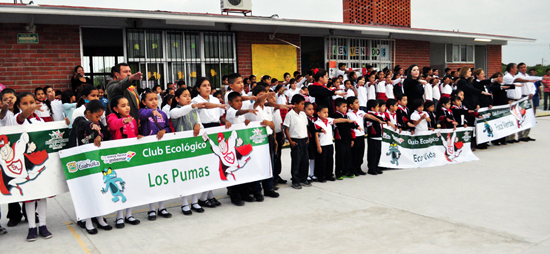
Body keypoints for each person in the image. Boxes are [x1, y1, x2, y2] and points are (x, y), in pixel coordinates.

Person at [70, 100, 112, 235]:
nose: (99, 119)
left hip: (97, 161)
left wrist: (99, 134)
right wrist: (93, 126)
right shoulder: (80, 120)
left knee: (98, 189)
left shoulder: (97, 124)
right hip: (81, 162)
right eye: (97, 116)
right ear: (88, 113)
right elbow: (83, 125)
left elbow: (106, 133)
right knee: (86, 191)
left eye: (100, 117)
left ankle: (100, 218)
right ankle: (87, 220)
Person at [169, 87, 212, 214]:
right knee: (185, 176)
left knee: (195, 174)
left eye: (189, 96)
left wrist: (198, 124)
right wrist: (193, 105)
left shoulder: (194, 110)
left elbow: (199, 124)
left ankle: (194, 202)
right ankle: (184, 203)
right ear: (177, 99)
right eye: (184, 96)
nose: (188, 98)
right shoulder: (174, 111)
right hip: (182, 147)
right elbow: (181, 112)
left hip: (194, 146)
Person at [105, 96, 142, 228]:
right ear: (115, 108)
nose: (127, 108)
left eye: (128, 105)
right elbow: (113, 125)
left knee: (131, 185)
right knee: (120, 186)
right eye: (123, 105)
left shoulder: (132, 119)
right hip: (118, 157)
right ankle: (119, 216)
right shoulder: (112, 117)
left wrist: (139, 136)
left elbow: (135, 133)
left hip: (130, 156)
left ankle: (129, 214)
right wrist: (124, 121)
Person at [190, 77, 227, 207]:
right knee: (208, 164)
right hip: (205, 130)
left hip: (216, 128)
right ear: (198, 88)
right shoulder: (196, 100)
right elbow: (201, 112)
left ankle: (209, 196)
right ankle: (204, 197)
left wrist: (225, 122)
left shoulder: (216, 99)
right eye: (204, 85)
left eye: (209, 85)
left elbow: (220, 116)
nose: (207, 87)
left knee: (215, 163)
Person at [138, 91, 173, 220]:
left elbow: (169, 128)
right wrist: (151, 112)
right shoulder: (143, 112)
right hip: (148, 151)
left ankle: (162, 207)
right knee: (151, 180)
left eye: (155, 99)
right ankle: (151, 209)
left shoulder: (163, 114)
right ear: (144, 102)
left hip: (161, 150)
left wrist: (164, 130)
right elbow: (142, 116)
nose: (154, 102)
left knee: (162, 178)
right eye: (150, 100)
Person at [246, 84, 280, 198]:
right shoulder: (253, 106)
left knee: (269, 163)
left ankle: (268, 188)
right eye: (262, 95)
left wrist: (274, 137)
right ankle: (257, 190)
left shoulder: (265, 108)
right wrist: (266, 94)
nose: (264, 97)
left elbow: (271, 124)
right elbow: (258, 102)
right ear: (255, 96)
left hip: (268, 137)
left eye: (265, 95)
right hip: (257, 139)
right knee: (258, 164)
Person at [224, 91, 258, 205]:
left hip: (242, 144)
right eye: (237, 101)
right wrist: (248, 110)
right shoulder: (230, 111)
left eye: (240, 101)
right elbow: (237, 113)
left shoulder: (241, 113)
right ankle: (235, 196)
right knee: (234, 170)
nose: (239, 103)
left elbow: (242, 121)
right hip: (233, 145)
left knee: (243, 169)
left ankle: (245, 193)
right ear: (230, 102)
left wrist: (246, 122)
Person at [313, 104, 353, 182]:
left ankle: (329, 174)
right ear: (318, 113)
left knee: (330, 160)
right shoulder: (317, 123)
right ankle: (321, 176)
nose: (326, 114)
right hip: (322, 145)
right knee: (322, 161)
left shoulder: (329, 120)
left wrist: (347, 120)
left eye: (327, 112)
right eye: (324, 112)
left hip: (330, 144)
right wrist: (318, 146)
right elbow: (316, 135)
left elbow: (338, 120)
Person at [283, 95, 310, 189]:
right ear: (295, 104)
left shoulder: (303, 114)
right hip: (295, 140)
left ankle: (303, 178)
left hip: (304, 139)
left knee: (305, 160)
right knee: (296, 161)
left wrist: (308, 138)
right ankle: (295, 180)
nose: (303, 106)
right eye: (302, 104)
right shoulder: (289, 115)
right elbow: (286, 128)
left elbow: (306, 126)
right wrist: (290, 141)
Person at [332, 98, 359, 179]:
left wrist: (352, 138)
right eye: (343, 106)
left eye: (346, 106)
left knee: (348, 155)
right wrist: (349, 123)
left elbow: (350, 127)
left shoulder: (346, 116)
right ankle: (338, 172)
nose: (345, 108)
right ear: (337, 108)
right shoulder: (336, 116)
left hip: (347, 139)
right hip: (340, 139)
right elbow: (343, 124)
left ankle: (346, 171)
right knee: (340, 156)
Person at [365, 99, 388, 175]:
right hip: (373, 137)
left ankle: (376, 166)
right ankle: (371, 168)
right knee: (372, 153)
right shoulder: (369, 115)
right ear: (372, 108)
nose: (379, 109)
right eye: (377, 107)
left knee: (378, 152)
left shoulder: (377, 115)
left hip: (378, 136)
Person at [346, 97, 367, 176]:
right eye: (356, 103)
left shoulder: (361, 112)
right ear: (351, 105)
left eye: (358, 102)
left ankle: (359, 167)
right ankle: (353, 168)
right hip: (355, 136)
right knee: (354, 153)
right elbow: (350, 127)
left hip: (361, 135)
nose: (358, 104)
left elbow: (368, 116)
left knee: (361, 153)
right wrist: (352, 138)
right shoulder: (348, 115)